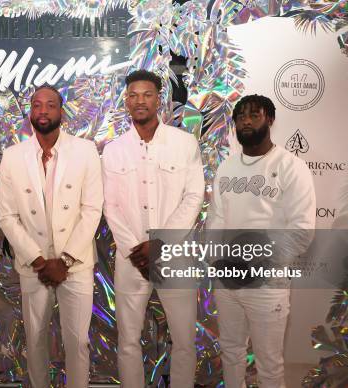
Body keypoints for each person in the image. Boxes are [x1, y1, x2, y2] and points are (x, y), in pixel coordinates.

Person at [102, 70, 205, 387]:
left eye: (147, 94)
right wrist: (135, 249)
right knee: (128, 340)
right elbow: (111, 205)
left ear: (158, 99)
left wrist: (160, 243)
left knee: (184, 340)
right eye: (133, 95)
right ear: (126, 101)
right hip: (131, 259)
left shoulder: (184, 143)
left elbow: (194, 196)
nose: (139, 100)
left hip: (174, 255)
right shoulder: (113, 150)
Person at [0, 86, 103, 388]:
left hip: (76, 265)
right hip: (34, 266)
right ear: (30, 111)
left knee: (77, 343)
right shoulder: (13, 156)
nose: (43, 111)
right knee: (35, 341)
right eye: (37, 105)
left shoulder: (84, 151)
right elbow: (7, 216)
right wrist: (40, 260)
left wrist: (65, 260)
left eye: (51, 105)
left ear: (61, 111)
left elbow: (92, 209)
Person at [208, 94, 316, 388]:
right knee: (231, 353)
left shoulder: (291, 166)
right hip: (228, 279)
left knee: (269, 364)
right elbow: (216, 219)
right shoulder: (227, 166)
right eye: (240, 116)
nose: (246, 121)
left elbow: (301, 231)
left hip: (266, 284)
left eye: (254, 115)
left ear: (269, 119)